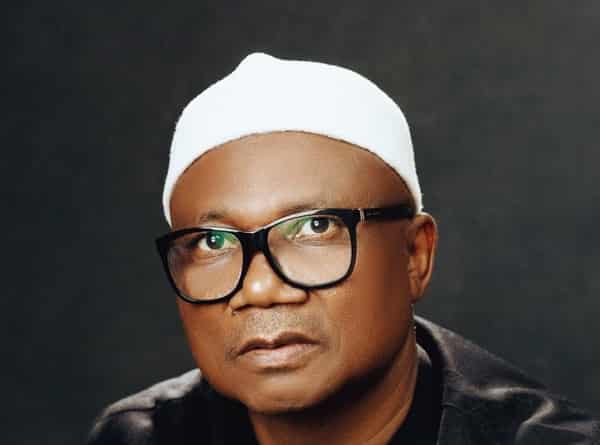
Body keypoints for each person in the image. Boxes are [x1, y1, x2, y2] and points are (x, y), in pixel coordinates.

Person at [87, 53, 600, 445]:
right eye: (213, 241)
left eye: (315, 227)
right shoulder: (138, 436)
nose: (259, 287)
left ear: (414, 256)